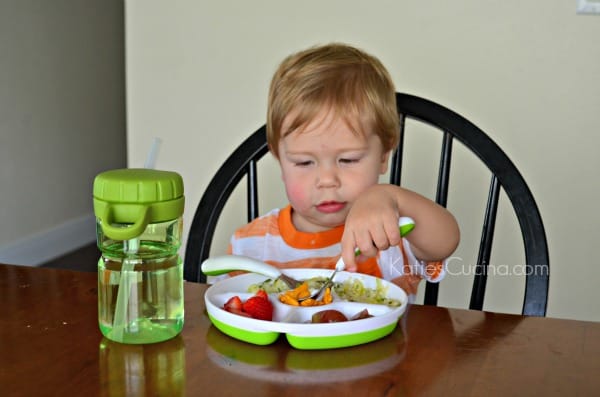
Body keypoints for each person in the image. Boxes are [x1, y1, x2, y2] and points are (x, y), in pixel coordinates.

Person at [228, 43, 459, 296]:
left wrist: (389, 197)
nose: (327, 180)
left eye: (348, 160)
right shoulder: (249, 247)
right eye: (304, 162)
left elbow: (445, 242)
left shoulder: (389, 232)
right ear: (280, 159)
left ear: (384, 155)